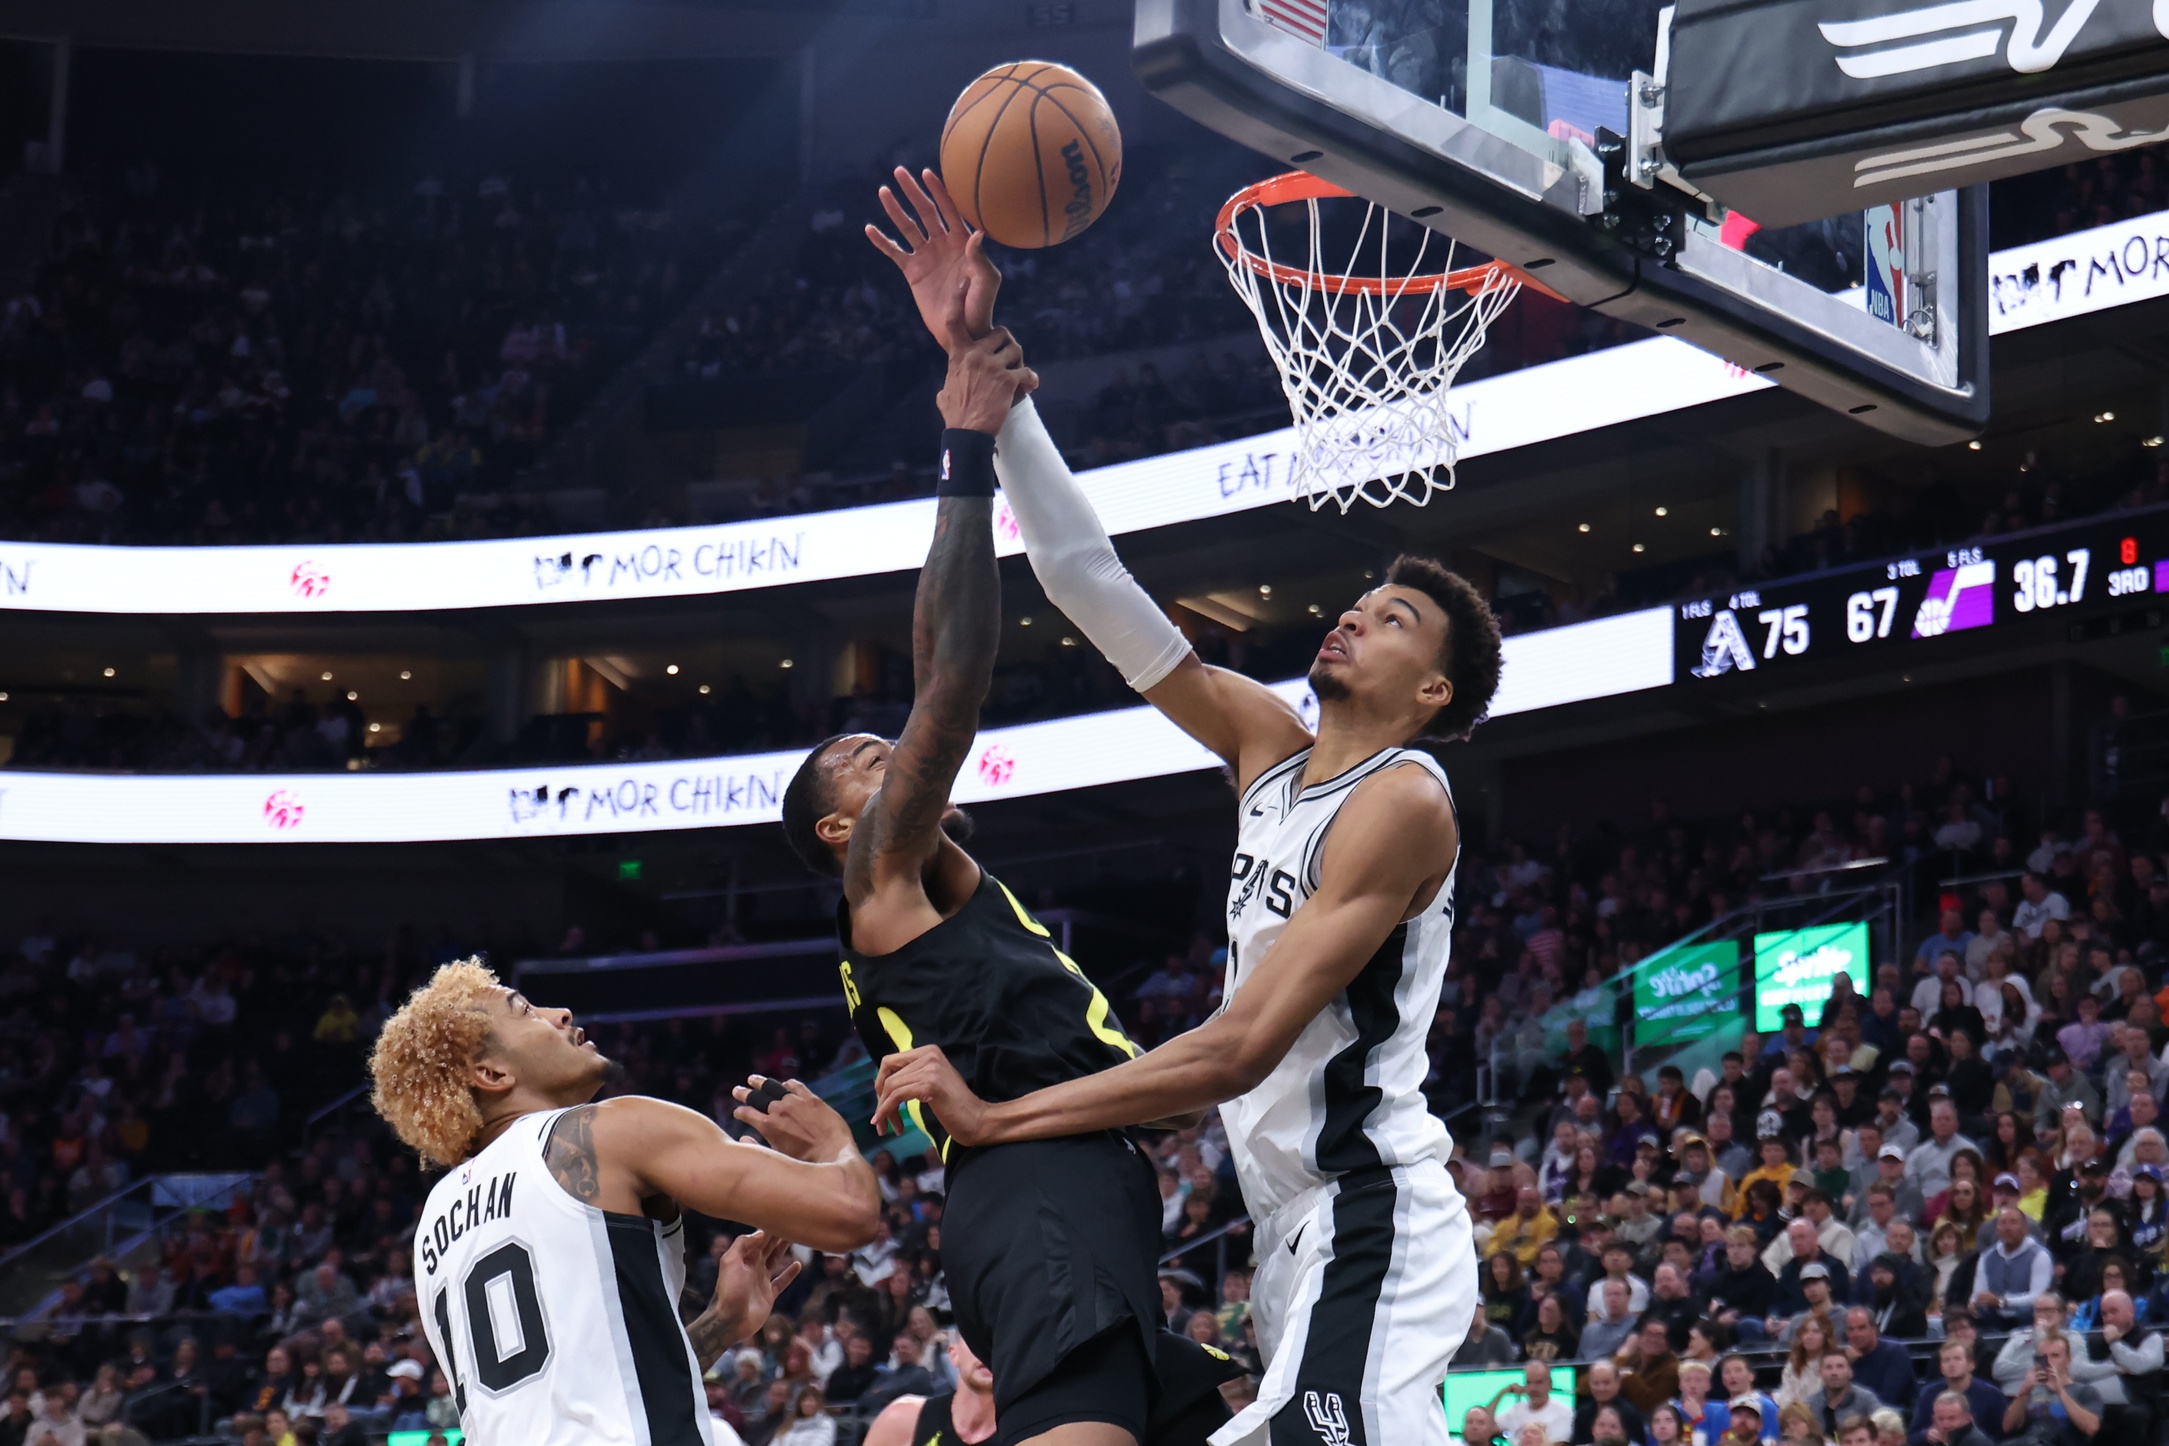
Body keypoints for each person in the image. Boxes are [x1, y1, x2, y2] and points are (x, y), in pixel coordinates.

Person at [863, 167, 1502, 1446]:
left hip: (1370, 1207)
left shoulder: (1406, 799)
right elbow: (1090, 583)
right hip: (1290, 1235)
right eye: (1364, 599)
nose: (1355, 614)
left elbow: (1237, 1050)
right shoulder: (1270, 744)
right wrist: (989, 384)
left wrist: (1001, 1118)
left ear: (1433, 689)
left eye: (1392, 620)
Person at [367, 963, 875, 1446]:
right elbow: (850, 1213)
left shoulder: (434, 1223)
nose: (560, 1013)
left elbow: (590, 1395)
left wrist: (721, 1323)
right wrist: (831, 1144)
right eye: (525, 1010)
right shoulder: (604, 1132)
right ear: (493, 1074)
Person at [2001, 1333, 2103, 1446]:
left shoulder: (2085, 1391)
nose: (2049, 1362)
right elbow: (2008, 1427)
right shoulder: (2030, 1392)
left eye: (2055, 1356)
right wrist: (2024, 1391)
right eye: (2043, 1357)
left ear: (2068, 1360)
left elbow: (2091, 1428)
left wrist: (2060, 1390)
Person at [1912, 1337, 2009, 1445]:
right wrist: (1926, 1434)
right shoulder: (1929, 1393)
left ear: (1971, 1364)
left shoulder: (1991, 1394)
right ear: (1941, 1367)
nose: (1951, 1364)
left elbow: (2004, 1434)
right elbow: (1912, 1435)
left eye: (1957, 1359)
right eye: (1946, 1360)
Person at [1842, 1307, 1915, 1412]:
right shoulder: (1844, 1356)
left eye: (1861, 1328)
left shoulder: (1895, 1351)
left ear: (1874, 1329)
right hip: (1856, 1415)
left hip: (1894, 1412)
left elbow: (1889, 1396)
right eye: (1851, 1329)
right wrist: (1846, 1364)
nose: (1856, 1334)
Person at [1805, 1353, 1887, 1440]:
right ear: (1819, 1373)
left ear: (1850, 1372)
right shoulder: (1810, 1404)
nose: (1834, 1373)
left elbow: (1884, 1429)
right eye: (1828, 1367)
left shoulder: (1866, 1399)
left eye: (1840, 1366)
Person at [1493, 1361, 1574, 1445]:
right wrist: (1502, 1393)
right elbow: (1485, 1428)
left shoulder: (1564, 1413)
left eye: (1538, 1383)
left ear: (1550, 1384)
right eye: (1528, 1383)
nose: (1533, 1388)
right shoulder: (1516, 1410)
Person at [1919, 1391, 1993, 1446]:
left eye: (1952, 1418)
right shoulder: (1936, 1440)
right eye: (1940, 1419)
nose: (1945, 1425)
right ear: (1934, 1419)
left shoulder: (1977, 1443)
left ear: (1968, 1418)